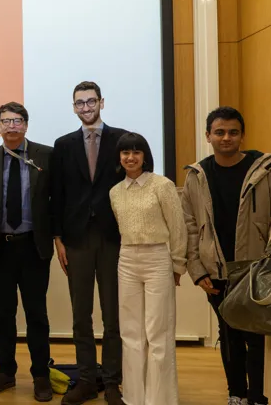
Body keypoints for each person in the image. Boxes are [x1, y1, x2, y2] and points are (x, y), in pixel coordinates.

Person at [181, 106, 271, 405]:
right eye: (219, 132)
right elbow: (190, 226)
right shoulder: (197, 175)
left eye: (233, 132)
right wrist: (197, 270)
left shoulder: (264, 169)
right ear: (208, 136)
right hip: (216, 270)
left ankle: (257, 396)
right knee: (229, 334)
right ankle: (236, 394)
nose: (226, 138)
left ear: (242, 136)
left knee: (255, 335)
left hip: (255, 268)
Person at [50, 81, 126, 405]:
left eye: (91, 101)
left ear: (102, 103)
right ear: (73, 107)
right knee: (81, 315)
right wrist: (58, 238)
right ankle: (86, 380)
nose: (86, 107)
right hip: (76, 238)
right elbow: (56, 194)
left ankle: (111, 382)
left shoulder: (122, 139)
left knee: (113, 316)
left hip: (113, 238)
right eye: (79, 103)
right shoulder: (63, 144)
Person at [0, 102, 54, 402]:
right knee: (3, 314)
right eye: (5, 121)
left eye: (17, 120)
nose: (11, 126)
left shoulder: (45, 155)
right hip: (1, 250)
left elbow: (53, 198)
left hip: (33, 248)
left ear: (26, 125)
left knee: (37, 314)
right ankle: (6, 371)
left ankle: (40, 375)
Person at [109, 133, 186, 405]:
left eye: (136, 152)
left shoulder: (162, 185)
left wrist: (177, 263)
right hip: (127, 259)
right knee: (130, 333)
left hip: (157, 259)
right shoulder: (115, 192)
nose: (130, 157)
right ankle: (133, 397)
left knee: (158, 333)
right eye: (125, 153)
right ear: (118, 157)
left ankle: (160, 400)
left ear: (145, 155)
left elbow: (178, 227)